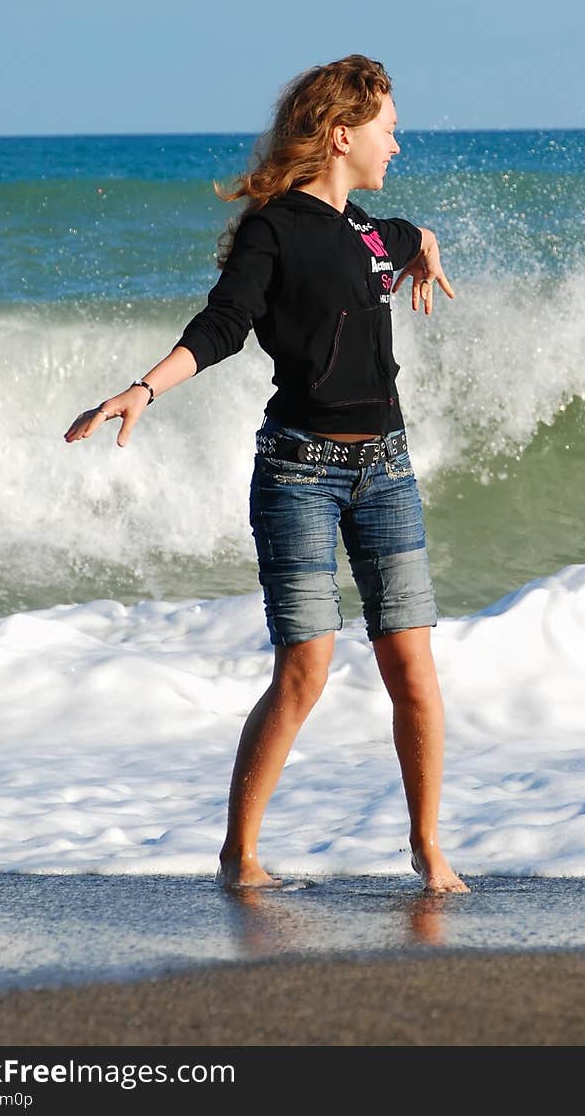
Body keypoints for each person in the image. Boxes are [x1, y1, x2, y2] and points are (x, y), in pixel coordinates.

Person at [65, 54, 468, 894]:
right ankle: (239, 853)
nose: (397, 143)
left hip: (387, 471)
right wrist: (144, 388)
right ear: (342, 132)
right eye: (388, 129)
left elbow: (410, 238)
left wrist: (425, 252)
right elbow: (223, 324)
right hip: (299, 474)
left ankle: (429, 850)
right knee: (305, 668)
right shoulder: (273, 229)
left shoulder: (370, 231)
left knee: (414, 673)